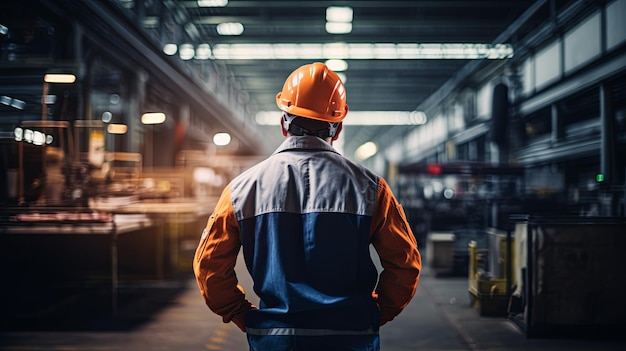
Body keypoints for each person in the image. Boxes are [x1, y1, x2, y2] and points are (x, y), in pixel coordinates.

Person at [193, 62, 421, 351]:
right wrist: (376, 313)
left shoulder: (241, 190)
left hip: (276, 341)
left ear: (283, 124)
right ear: (337, 128)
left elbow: (209, 267)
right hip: (350, 339)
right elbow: (405, 265)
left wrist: (240, 312)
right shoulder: (370, 188)